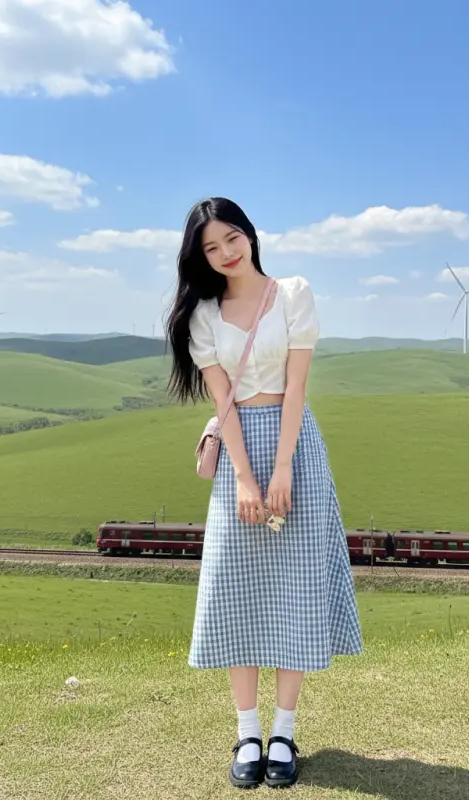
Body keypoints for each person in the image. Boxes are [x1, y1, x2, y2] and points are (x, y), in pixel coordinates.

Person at [165, 197, 363, 789]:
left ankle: (283, 731)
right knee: (236, 589)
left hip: (294, 443)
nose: (226, 252)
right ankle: (247, 731)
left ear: (249, 234)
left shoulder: (294, 292)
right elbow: (219, 398)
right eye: (211, 247)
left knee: (295, 588)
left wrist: (282, 470)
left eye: (232, 238)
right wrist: (246, 478)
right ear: (200, 257)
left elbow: (297, 387)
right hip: (237, 452)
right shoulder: (202, 315)